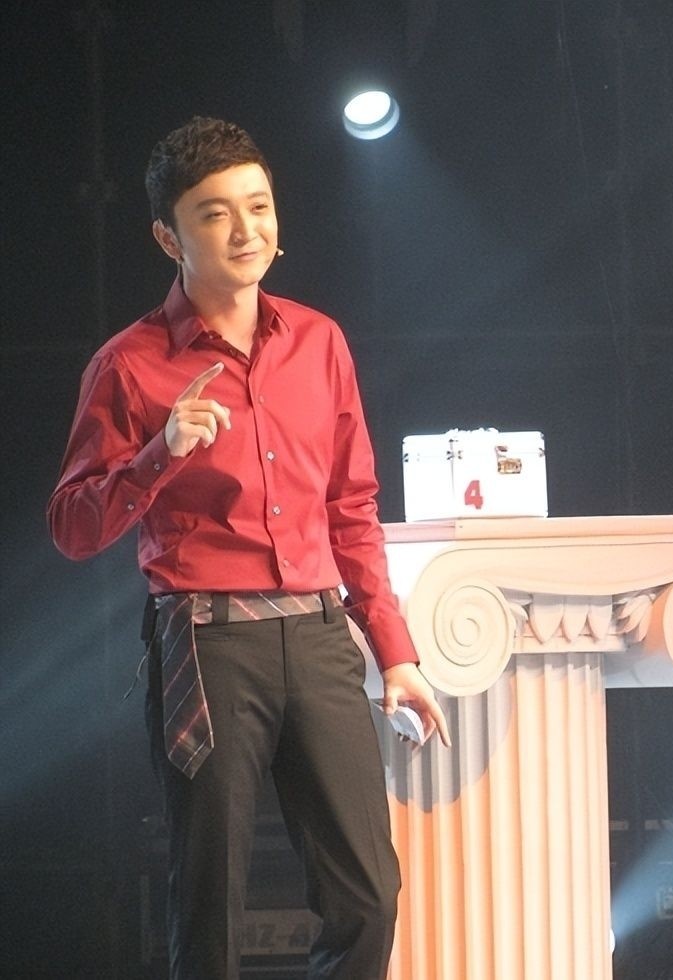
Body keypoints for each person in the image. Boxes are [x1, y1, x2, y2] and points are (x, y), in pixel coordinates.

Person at [48, 116, 450, 979]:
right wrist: (160, 454)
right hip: (207, 642)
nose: (245, 230)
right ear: (169, 237)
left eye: (258, 206)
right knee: (211, 902)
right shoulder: (129, 365)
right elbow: (73, 526)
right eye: (215, 213)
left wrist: (397, 653)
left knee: (369, 895)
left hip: (319, 634)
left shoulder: (319, 340)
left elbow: (351, 508)